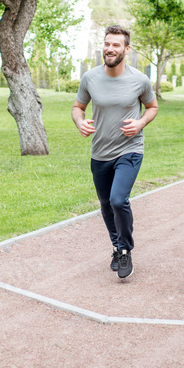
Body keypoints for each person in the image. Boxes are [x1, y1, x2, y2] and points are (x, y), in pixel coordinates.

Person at [72, 25, 158, 279]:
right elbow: (78, 107)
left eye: (116, 45)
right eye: (107, 44)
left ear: (127, 50)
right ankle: (116, 246)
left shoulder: (140, 80)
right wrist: (80, 122)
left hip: (129, 149)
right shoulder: (90, 78)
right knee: (105, 204)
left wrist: (140, 123)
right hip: (100, 152)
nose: (110, 49)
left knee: (118, 200)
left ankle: (125, 249)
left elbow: (152, 107)